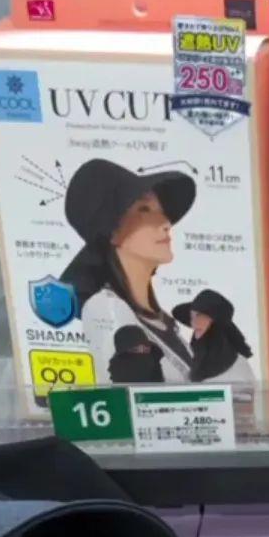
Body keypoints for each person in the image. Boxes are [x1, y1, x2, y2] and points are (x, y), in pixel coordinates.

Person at [60, 159, 197, 384]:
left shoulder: (160, 320)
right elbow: (127, 394)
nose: (166, 223)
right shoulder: (107, 309)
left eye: (162, 210)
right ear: (112, 231)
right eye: (144, 209)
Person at [172, 289, 255, 385]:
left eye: (199, 316)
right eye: (192, 317)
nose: (193, 322)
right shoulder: (190, 361)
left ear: (215, 322)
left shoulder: (238, 368)